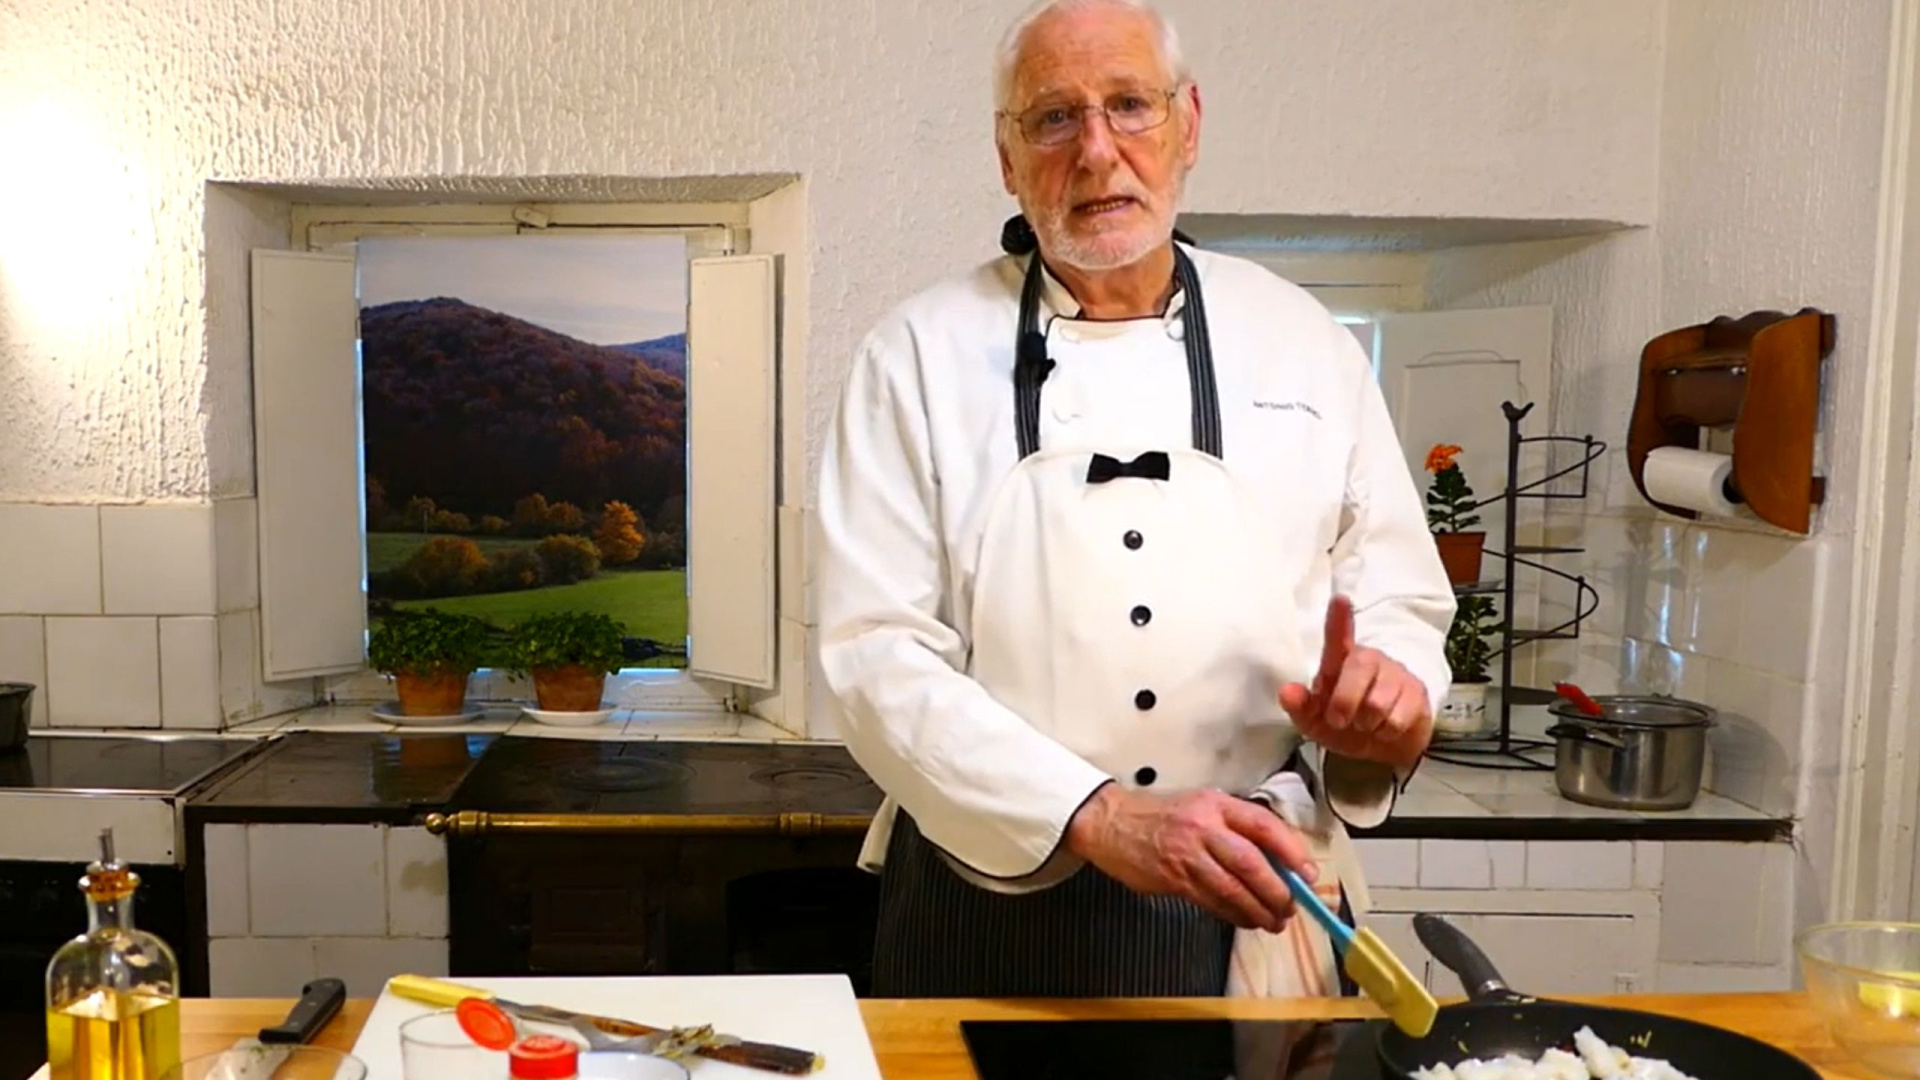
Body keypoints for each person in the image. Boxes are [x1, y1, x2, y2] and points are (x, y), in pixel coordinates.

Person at [812, 0, 1454, 999]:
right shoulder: (914, 356)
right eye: (1054, 117)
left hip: (1257, 882)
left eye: (1128, 105)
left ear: (1188, 123)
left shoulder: (1306, 343)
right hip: (986, 897)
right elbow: (874, 653)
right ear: (1006, 154)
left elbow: (1400, 607)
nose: (1098, 150)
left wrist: (1393, 704)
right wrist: (1097, 815)